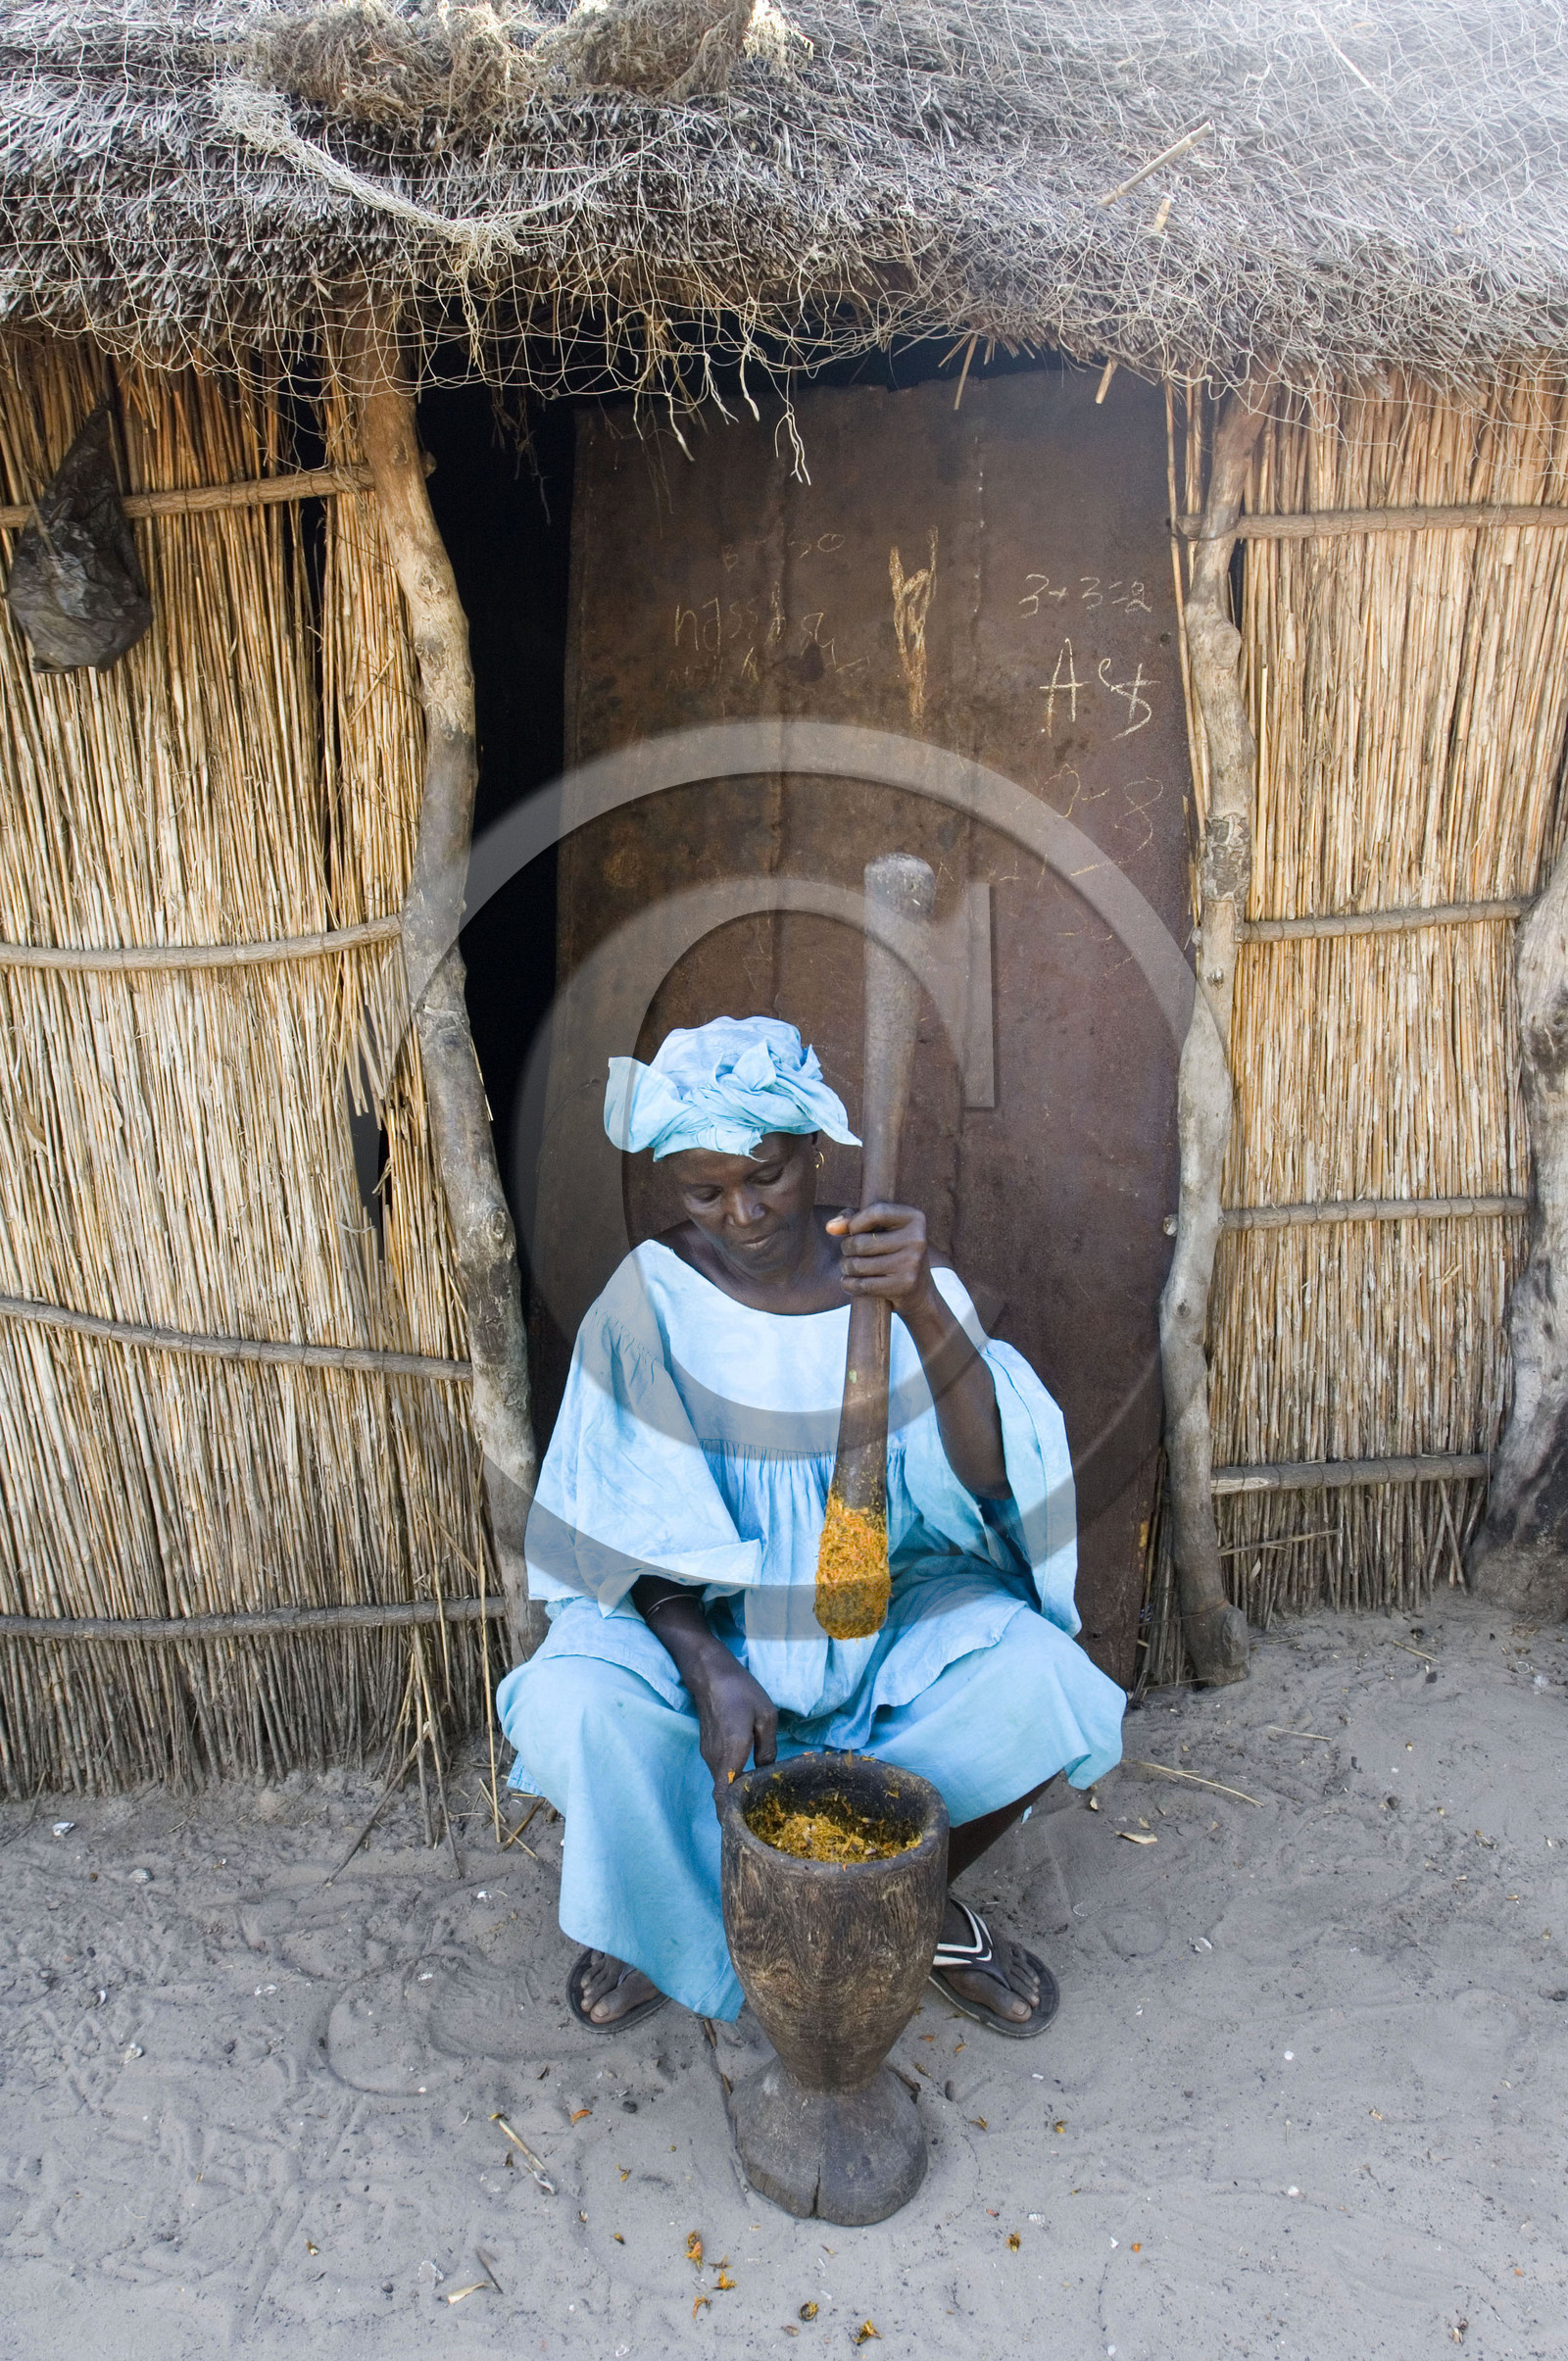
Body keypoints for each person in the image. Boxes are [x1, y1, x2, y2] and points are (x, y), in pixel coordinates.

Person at [497, 1015, 1124, 2036]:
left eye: (768, 1176)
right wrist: (708, 1666)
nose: (742, 1214)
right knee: (577, 1705)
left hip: (882, 1613)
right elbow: (619, 1522)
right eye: (705, 1193)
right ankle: (676, 1919)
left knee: (1044, 1683)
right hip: (701, 1625)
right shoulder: (649, 1300)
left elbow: (988, 1478)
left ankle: (905, 1907)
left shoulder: (892, 1272)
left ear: (812, 1152)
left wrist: (923, 1306)